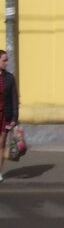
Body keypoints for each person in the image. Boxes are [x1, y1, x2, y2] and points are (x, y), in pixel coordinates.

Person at [0, 50, 19, 182]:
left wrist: (14, 118)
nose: (7, 63)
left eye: (7, 60)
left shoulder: (10, 78)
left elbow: (14, 99)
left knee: (1, 144)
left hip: (4, 115)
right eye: (4, 60)